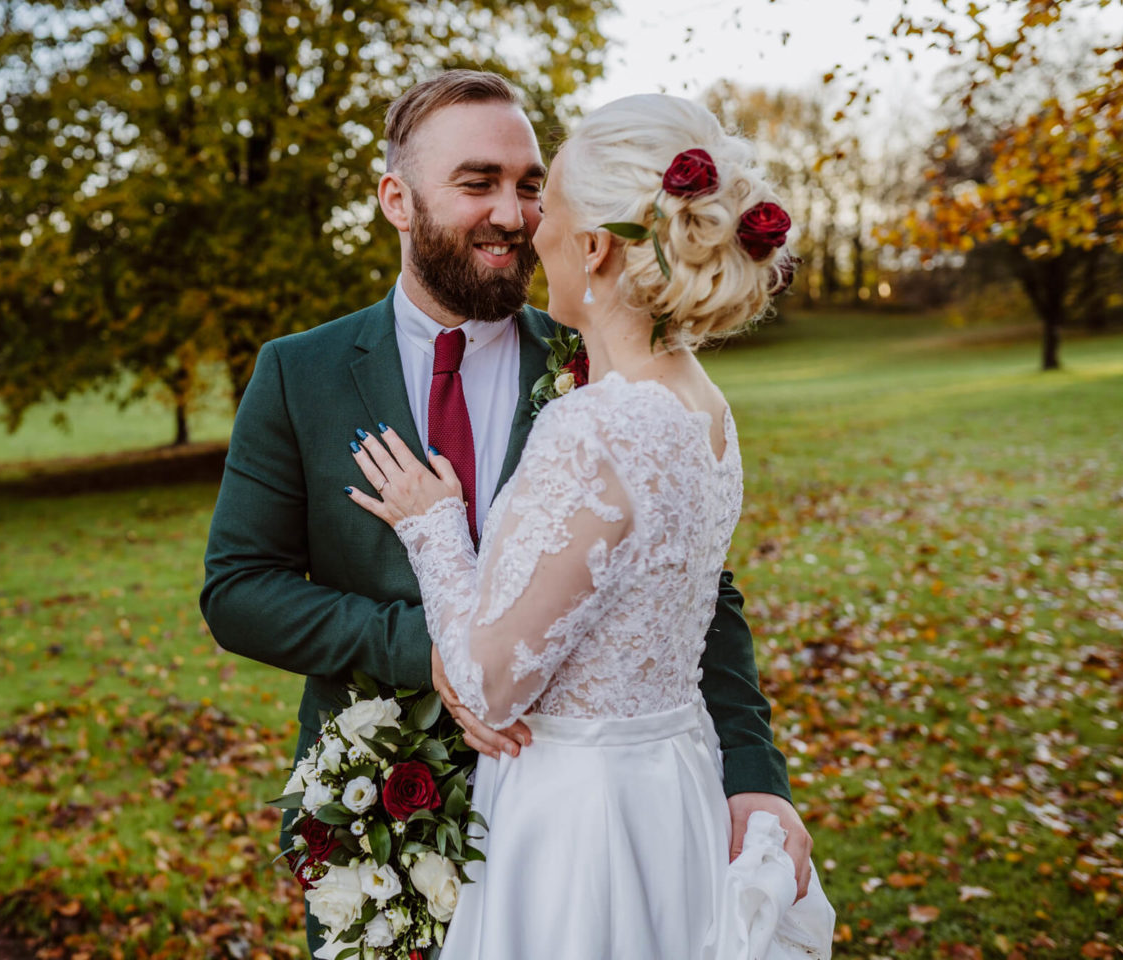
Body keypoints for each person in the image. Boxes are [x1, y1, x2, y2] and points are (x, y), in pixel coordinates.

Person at [200, 71, 814, 956]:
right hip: (383, 814)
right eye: (477, 182)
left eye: (531, 186)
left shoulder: (605, 362)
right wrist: (430, 652)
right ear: (396, 200)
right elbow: (238, 591)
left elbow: (694, 588)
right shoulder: (300, 372)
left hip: (576, 835)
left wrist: (755, 775)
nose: (516, 214)